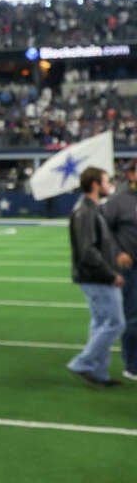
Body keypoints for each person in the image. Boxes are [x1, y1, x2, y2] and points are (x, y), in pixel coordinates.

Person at [67, 167, 125, 388]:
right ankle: (83, 363)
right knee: (115, 323)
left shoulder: (92, 209)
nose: (109, 184)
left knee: (102, 323)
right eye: (106, 180)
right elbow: (88, 251)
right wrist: (111, 275)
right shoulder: (86, 211)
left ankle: (99, 373)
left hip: (97, 276)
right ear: (95, 184)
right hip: (96, 277)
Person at [101, 160, 137, 381]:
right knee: (133, 317)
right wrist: (117, 252)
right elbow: (103, 230)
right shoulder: (119, 200)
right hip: (130, 268)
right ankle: (132, 365)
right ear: (131, 175)